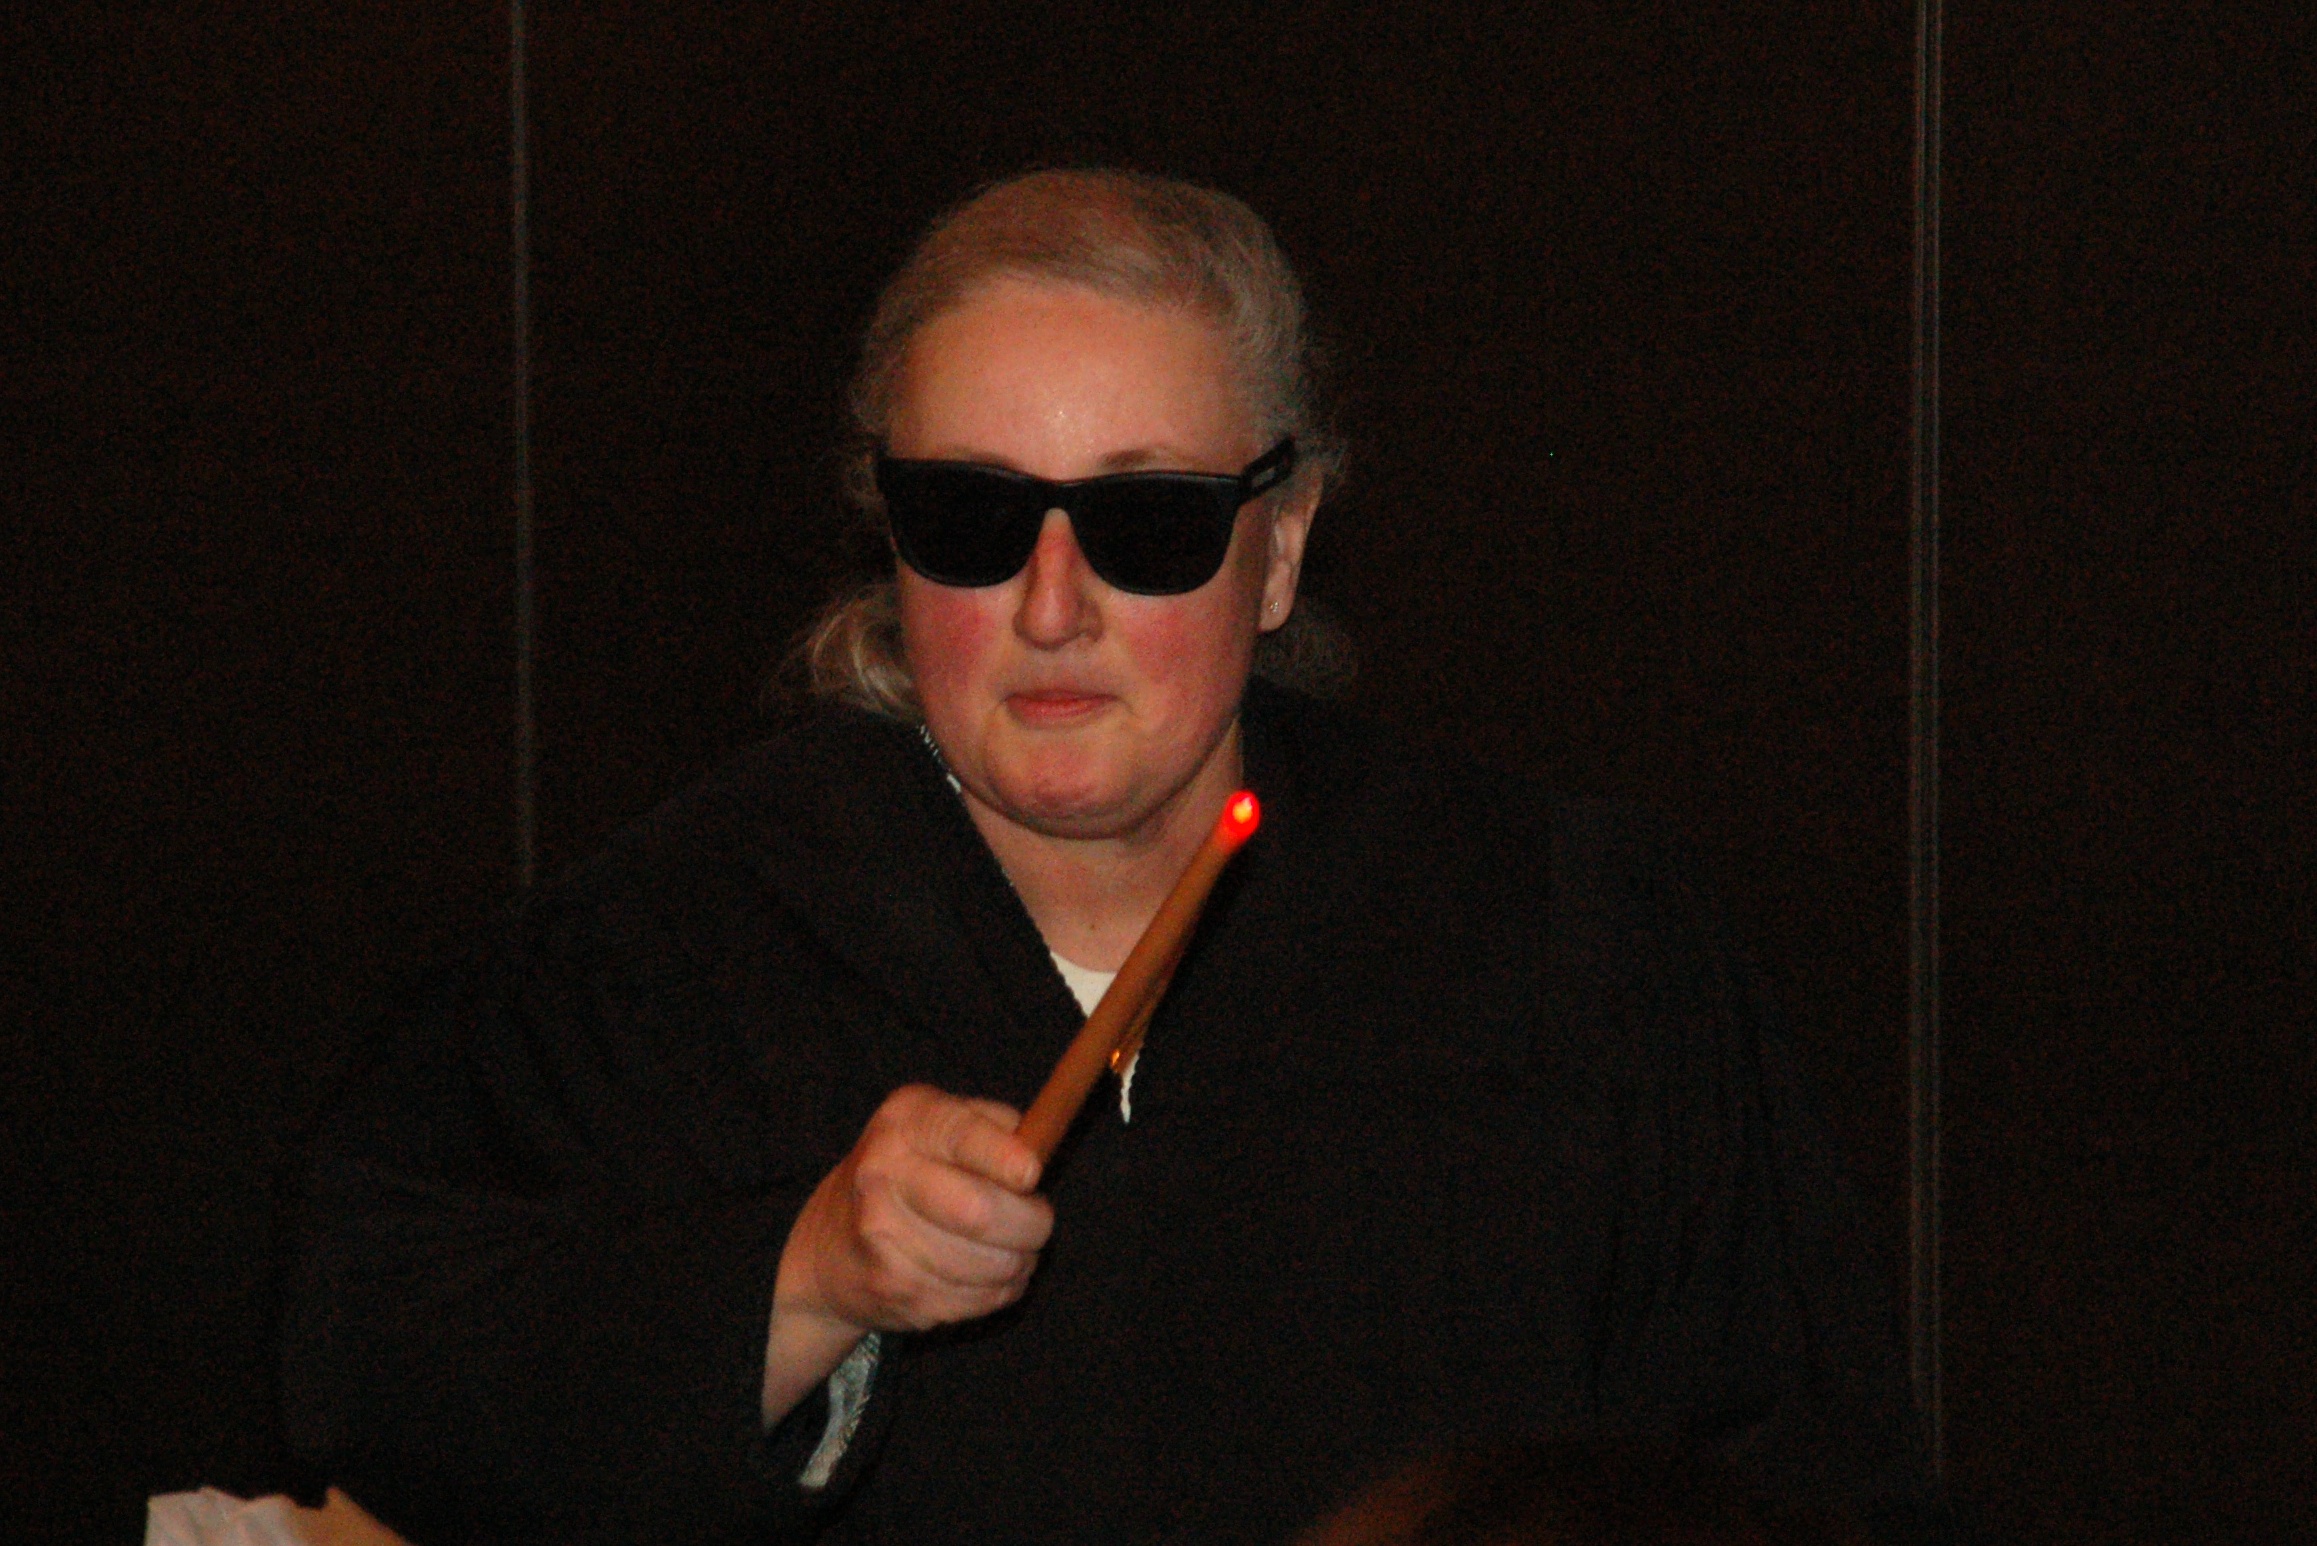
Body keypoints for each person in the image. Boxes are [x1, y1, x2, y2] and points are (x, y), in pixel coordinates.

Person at [281, 168, 1939, 1544]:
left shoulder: (1564, 933)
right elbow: (377, 1387)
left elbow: (1794, 1474)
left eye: (1147, 523)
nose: (1052, 605)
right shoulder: (661, 949)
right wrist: (800, 1279)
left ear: (1278, 546)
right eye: (972, 517)